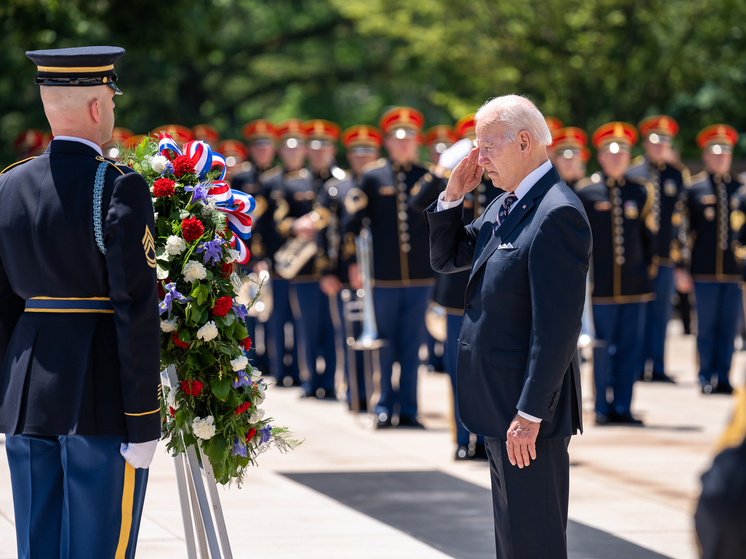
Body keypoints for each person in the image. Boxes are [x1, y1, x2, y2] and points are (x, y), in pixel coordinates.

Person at [0, 46, 160, 559]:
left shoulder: (8, 185)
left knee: (38, 544)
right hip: (100, 392)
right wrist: (144, 419)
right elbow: (135, 309)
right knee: (97, 546)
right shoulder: (118, 187)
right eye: (110, 99)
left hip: (26, 396)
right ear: (97, 107)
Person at [426, 95, 590, 559]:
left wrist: (531, 414)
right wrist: (453, 196)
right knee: (514, 541)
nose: (478, 159)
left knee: (533, 541)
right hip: (502, 406)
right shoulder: (510, 204)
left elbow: (556, 330)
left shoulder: (555, 212)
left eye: (486, 147)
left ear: (524, 142)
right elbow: (449, 256)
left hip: (526, 415)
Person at [344, 107, 444, 428]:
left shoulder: (428, 177)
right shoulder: (373, 177)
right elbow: (352, 223)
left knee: (413, 346)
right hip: (383, 277)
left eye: (410, 138)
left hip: (420, 275)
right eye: (397, 139)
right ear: (387, 142)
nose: (403, 145)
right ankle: (385, 405)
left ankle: (411, 409)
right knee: (384, 345)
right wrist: (351, 264)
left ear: (417, 142)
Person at [431, 112, 503, 460]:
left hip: (490, 295)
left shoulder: (499, 184)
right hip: (455, 292)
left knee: (486, 372)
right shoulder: (452, 176)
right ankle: (462, 439)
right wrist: (449, 178)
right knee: (458, 371)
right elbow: (425, 210)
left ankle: (486, 437)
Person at [575, 122, 657, 425]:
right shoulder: (586, 192)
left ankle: (623, 406)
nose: (618, 157)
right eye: (612, 152)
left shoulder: (640, 190)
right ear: (600, 155)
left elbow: (648, 238)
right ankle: (600, 408)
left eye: (623, 152)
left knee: (629, 350)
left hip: (634, 284)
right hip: (602, 287)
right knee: (601, 349)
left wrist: (648, 272)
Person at [274, 119, 343, 399]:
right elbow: (278, 220)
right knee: (307, 326)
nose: (318, 152)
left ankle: (330, 382)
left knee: (332, 326)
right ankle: (309, 381)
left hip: (333, 269)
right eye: (313, 147)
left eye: (323, 147)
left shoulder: (341, 182)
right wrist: (294, 225)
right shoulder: (294, 183)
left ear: (332, 149)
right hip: (303, 269)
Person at [318, 124, 381, 411]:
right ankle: (355, 393)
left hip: (381, 274)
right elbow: (325, 234)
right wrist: (326, 271)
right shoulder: (335, 189)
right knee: (349, 334)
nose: (362, 156)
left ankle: (377, 393)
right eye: (357, 151)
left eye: (368, 150)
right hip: (344, 274)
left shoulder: (382, 181)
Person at [626, 116, 690, 383]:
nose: (660, 145)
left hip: (665, 258)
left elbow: (682, 222)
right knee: (639, 315)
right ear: (645, 142)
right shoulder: (633, 173)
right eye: (655, 140)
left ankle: (659, 366)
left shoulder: (677, 174)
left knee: (662, 315)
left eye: (665, 140)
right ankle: (639, 366)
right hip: (639, 258)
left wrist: (683, 262)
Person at [683, 125, 743, 395]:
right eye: (715, 153)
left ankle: (725, 376)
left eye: (725, 152)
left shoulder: (740, 190)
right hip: (704, 272)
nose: (720, 157)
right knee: (705, 328)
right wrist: (682, 268)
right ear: (705, 156)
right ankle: (706, 375)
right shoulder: (694, 189)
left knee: (729, 329)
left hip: (733, 273)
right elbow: (684, 233)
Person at [548, 126, 590, 191]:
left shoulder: (589, 189)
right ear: (556, 159)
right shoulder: (548, 188)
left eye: (574, 155)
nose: (570, 162)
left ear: (579, 159)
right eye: (564, 156)